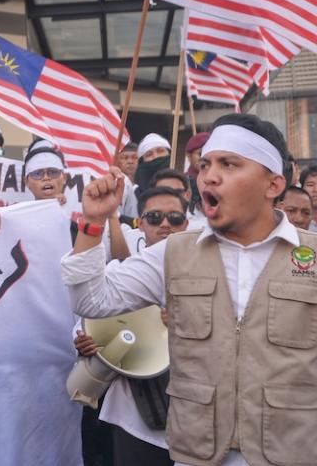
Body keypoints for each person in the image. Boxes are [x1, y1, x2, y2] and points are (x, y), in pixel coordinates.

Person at [62, 113, 317, 466]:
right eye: (207, 164)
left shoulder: (311, 257)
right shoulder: (176, 251)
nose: (209, 175)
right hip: (196, 456)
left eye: (230, 164)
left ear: (273, 186)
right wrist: (92, 223)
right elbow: (92, 300)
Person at [74, 186, 189, 466]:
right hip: (135, 419)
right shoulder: (117, 271)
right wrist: (85, 343)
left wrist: (184, 320)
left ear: (186, 224)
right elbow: (85, 315)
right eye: (154, 217)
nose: (165, 224)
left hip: (197, 416)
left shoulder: (212, 269)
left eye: (174, 217)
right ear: (140, 225)